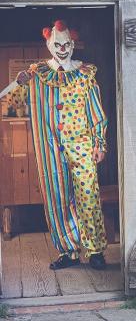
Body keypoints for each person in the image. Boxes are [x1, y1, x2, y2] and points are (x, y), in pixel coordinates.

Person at [9, 20, 108, 270]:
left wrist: (100, 142)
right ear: (48, 44)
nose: (62, 49)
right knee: (56, 197)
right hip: (50, 147)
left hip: (82, 144)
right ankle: (68, 250)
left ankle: (95, 250)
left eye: (66, 44)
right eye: (57, 44)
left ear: (72, 44)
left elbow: (96, 111)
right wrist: (19, 83)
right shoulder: (37, 73)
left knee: (88, 195)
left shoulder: (84, 74)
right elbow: (15, 101)